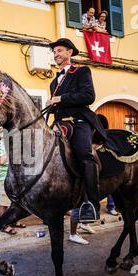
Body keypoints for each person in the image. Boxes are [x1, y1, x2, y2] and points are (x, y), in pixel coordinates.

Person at [47, 38, 105, 223]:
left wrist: (60, 99)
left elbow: (89, 96)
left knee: (84, 155)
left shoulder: (81, 71)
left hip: (79, 121)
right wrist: (51, 107)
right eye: (54, 51)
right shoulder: (53, 82)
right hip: (60, 124)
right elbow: (57, 106)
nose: (56, 54)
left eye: (59, 51)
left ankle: (92, 206)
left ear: (69, 52)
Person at [0, 136, 25, 235]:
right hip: (3, 179)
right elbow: (0, 161)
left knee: (14, 202)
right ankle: (4, 225)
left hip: (14, 179)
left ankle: (13, 221)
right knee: (4, 204)